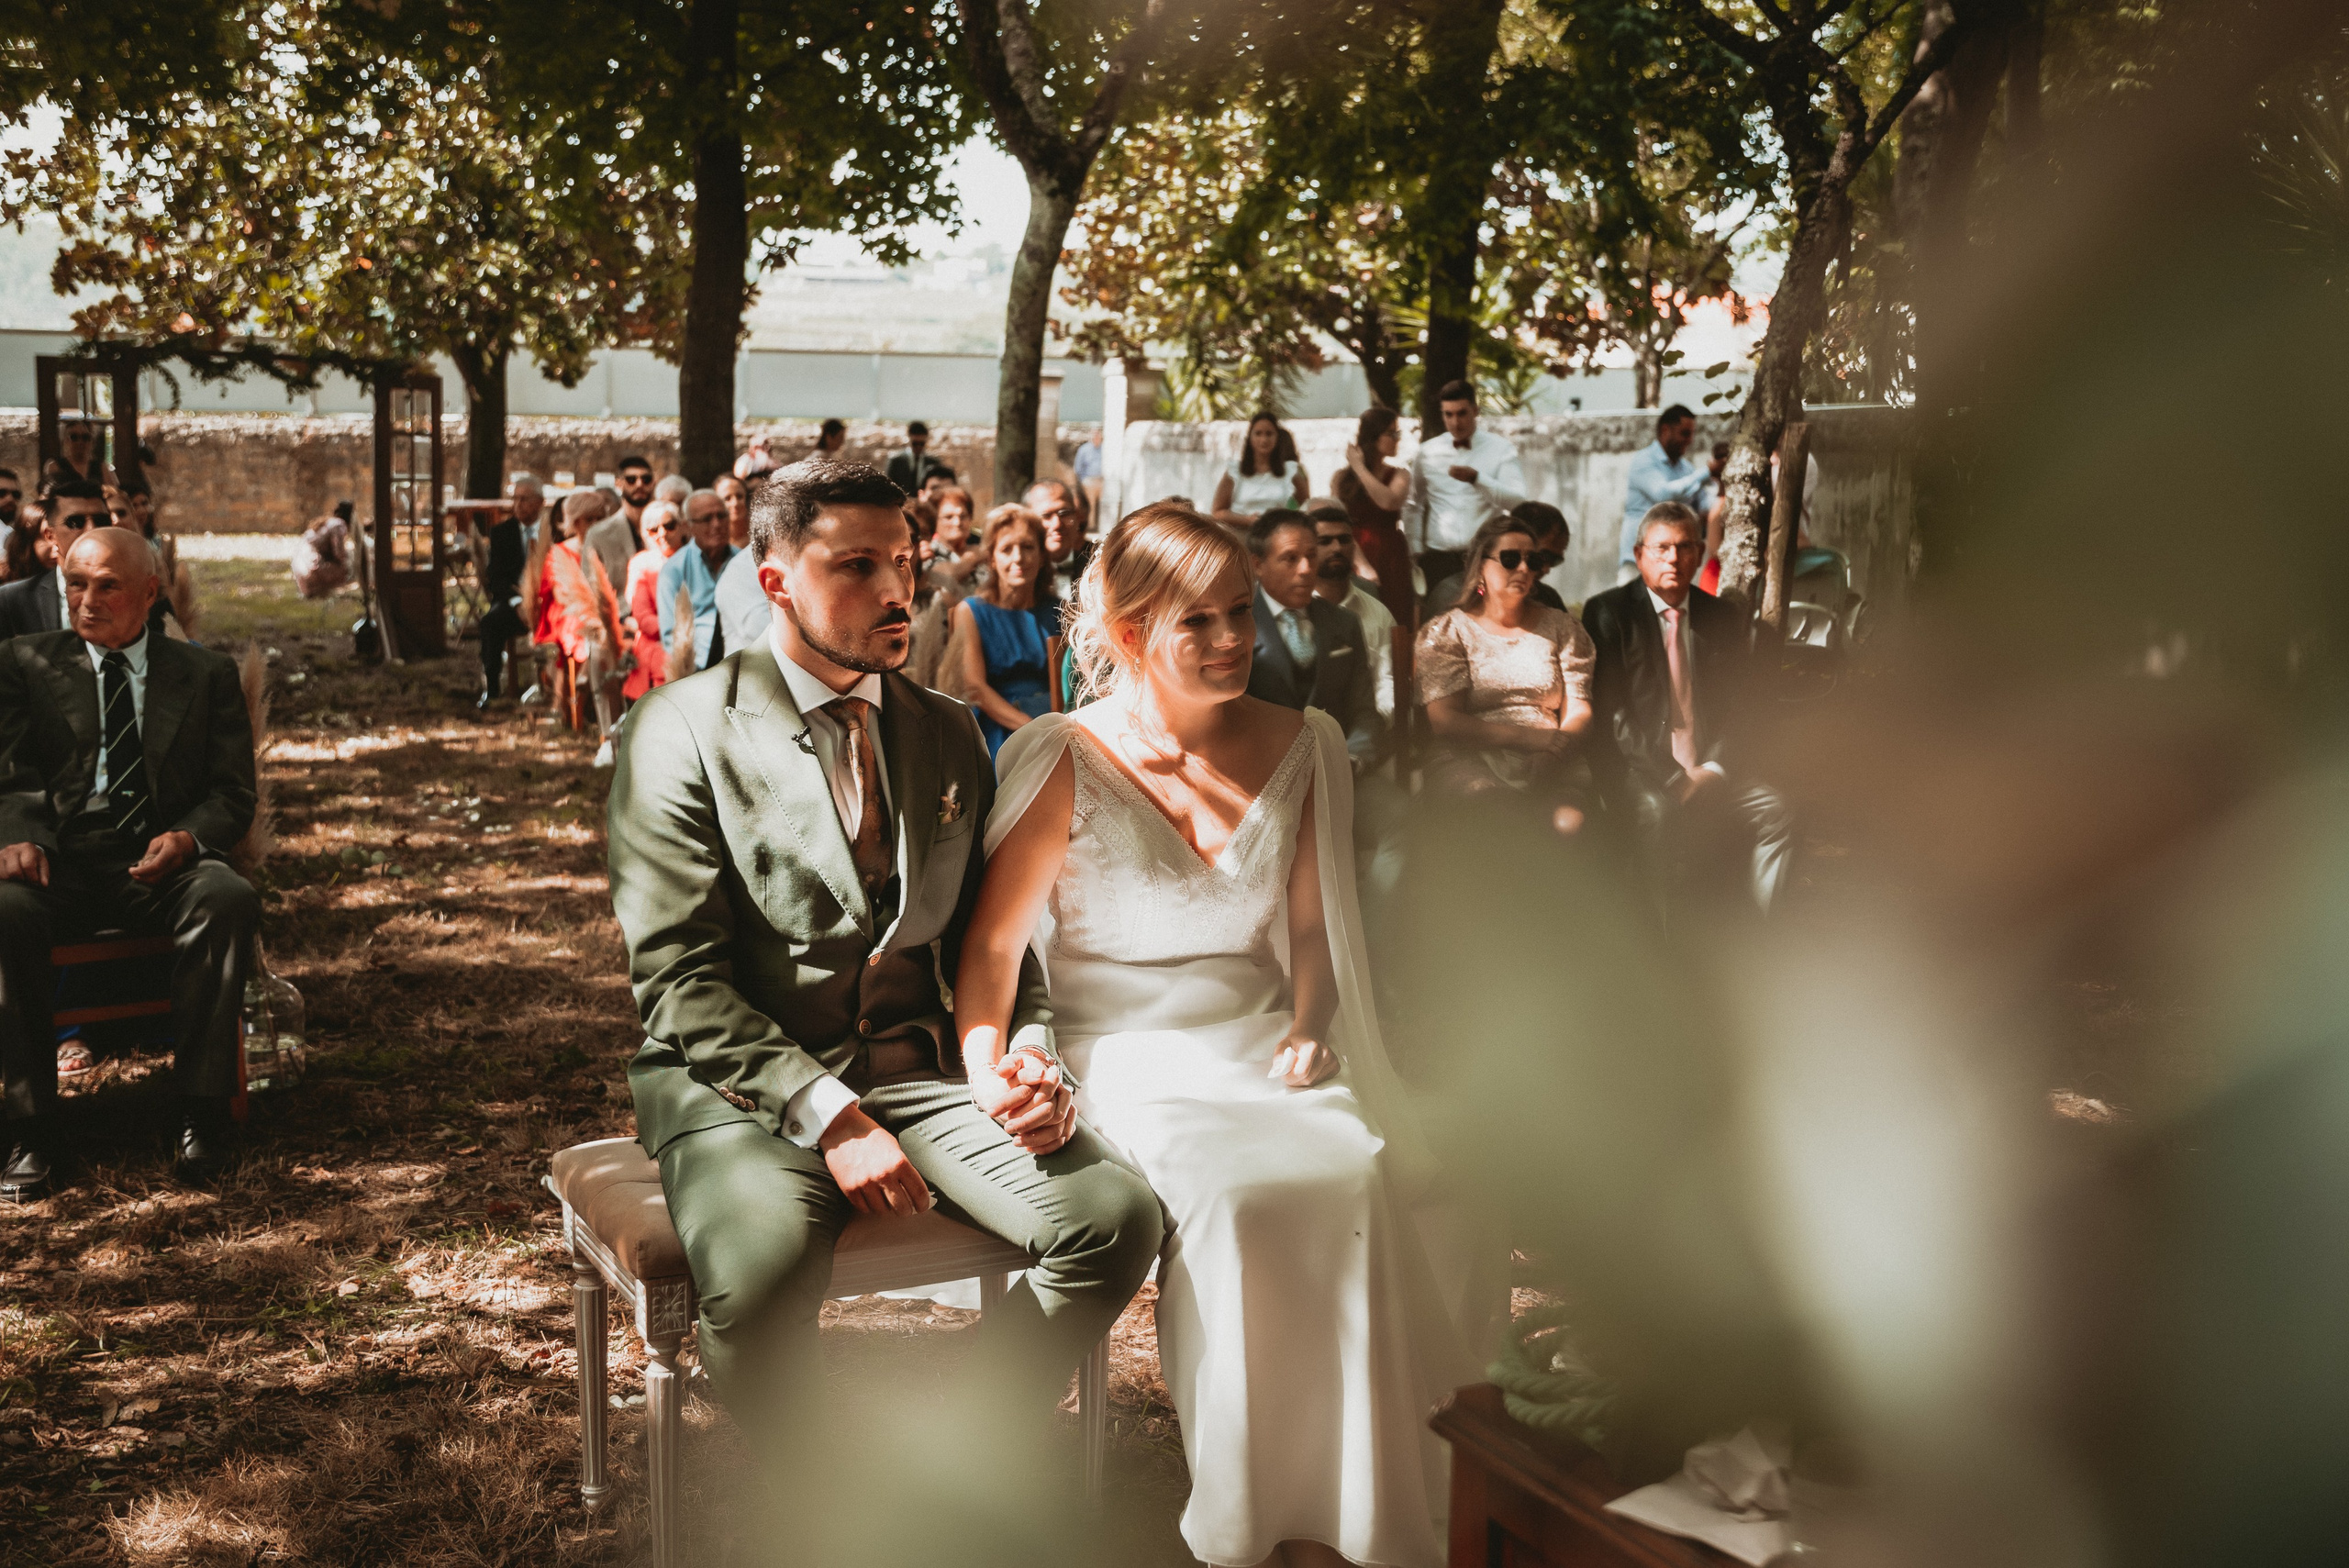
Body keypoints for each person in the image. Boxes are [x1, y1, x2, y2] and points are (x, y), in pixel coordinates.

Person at [604, 456, 1161, 1483]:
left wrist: (1031, 1056)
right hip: (743, 1090)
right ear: (774, 580)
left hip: (917, 1070)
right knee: (761, 1282)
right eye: (857, 564)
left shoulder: (947, 731)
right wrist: (830, 1116)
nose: (898, 588)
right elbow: (679, 981)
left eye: (904, 559)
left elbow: (995, 945)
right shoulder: (676, 730)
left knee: (1115, 1220)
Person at [959, 501, 1465, 1568]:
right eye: (1201, 622)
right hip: (1123, 1052)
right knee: (1240, 1196)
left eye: (1241, 613)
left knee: (1347, 1177)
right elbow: (995, 954)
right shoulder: (1062, 755)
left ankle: (1353, 1517)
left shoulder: (1308, 740)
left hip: (1256, 1036)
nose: (1234, 639)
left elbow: (1319, 921)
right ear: (1135, 629)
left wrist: (1310, 1024)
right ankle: (1249, 1516)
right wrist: (991, 1069)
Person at [0, 528, 260, 1199]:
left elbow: (232, 793)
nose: (87, 602)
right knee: (5, 908)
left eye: (107, 585)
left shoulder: (204, 674)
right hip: (59, 862)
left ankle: (200, 1113)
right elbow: (9, 771)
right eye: (75, 585)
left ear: (151, 591)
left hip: (160, 859)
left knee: (225, 896)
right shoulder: (24, 662)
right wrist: (20, 832)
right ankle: (32, 1126)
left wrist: (188, 838)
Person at [1582, 503, 1791, 911]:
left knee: (1777, 810)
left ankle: (1764, 933)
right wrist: (1672, 778)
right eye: (1661, 548)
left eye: (1683, 548)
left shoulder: (1720, 617)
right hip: (1643, 771)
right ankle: (1656, 940)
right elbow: (1614, 715)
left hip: (1710, 770)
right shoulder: (1609, 613)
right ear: (1640, 555)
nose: (1673, 559)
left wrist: (1713, 769)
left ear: (1698, 555)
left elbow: (1739, 706)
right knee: (1659, 814)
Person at [1416, 513, 1597, 835]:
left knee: (1568, 823)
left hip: (1552, 757)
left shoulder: (1562, 627)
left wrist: (1554, 753)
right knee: (1496, 815)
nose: (1524, 569)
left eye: (1533, 560)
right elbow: (1444, 720)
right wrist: (1530, 739)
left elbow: (1579, 711)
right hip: (1468, 756)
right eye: (1511, 559)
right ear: (1480, 566)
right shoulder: (1449, 631)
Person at [1244, 510, 1383, 768]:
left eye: (1311, 556)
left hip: (1342, 767)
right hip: (1264, 775)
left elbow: (1365, 713)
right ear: (1258, 565)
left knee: (1397, 808)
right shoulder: (1239, 627)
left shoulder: (1344, 623)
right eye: (1290, 558)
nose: (1307, 569)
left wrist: (1351, 760)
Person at [950, 506, 1061, 762]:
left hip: (1054, 723)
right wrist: (1030, 729)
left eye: (1028, 547)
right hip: (997, 729)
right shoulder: (971, 611)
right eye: (1007, 549)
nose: (1018, 558)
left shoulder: (1059, 610)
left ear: (1043, 556)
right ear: (991, 559)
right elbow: (974, 687)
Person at [1405, 381, 1526, 587]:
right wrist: (1415, 548)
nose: (1455, 422)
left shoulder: (1501, 449)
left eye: (1461, 413)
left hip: (1485, 558)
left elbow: (1517, 502)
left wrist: (1477, 479)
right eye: (1448, 414)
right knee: (1438, 618)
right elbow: (1414, 503)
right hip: (1438, 559)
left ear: (1475, 411)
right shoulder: (1427, 452)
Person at [537, 490, 627, 766]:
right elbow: (555, 593)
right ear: (575, 522)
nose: (596, 523)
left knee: (607, 634)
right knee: (589, 636)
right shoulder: (560, 552)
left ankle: (590, 680)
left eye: (601, 517)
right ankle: (588, 678)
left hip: (603, 612)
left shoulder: (604, 544)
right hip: (566, 613)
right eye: (590, 518)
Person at [1306, 501, 1399, 726]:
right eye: (1325, 541)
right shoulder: (1294, 612)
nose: (1337, 548)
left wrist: (1372, 726)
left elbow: (1387, 682)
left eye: (1344, 539)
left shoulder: (1378, 613)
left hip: (1368, 733)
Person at [1334, 406, 1417, 633]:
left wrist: (1359, 467)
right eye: (1392, 433)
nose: (1396, 439)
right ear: (1374, 436)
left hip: (1390, 552)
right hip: (1354, 548)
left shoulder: (1400, 474)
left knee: (1395, 618)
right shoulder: (1342, 478)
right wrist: (1360, 563)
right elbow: (1337, 519)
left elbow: (1388, 501)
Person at [1619, 406, 1720, 579]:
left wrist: (1722, 483)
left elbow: (1704, 508)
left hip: (1672, 561)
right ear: (1665, 430)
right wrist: (1707, 472)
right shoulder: (1643, 461)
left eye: (1691, 434)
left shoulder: (1687, 469)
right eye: (1685, 433)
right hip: (1639, 561)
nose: (1690, 440)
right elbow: (1664, 495)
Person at [0, 481, 110, 638]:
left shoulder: (135, 592)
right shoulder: (11, 600)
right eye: (75, 522)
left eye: (101, 521)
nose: (91, 529)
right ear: (50, 536)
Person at [1428, 499, 1572, 616]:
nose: (1546, 569)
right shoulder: (1452, 594)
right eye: (1543, 556)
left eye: (1555, 561)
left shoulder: (1548, 599)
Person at [655, 488, 735, 675]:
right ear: (688, 526)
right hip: (697, 669)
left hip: (742, 664)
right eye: (707, 519)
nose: (717, 524)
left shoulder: (744, 562)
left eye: (721, 516)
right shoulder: (674, 570)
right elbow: (670, 636)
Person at [476, 477, 537, 707]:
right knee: (490, 622)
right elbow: (496, 578)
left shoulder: (552, 531)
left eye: (525, 499)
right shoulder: (501, 533)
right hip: (514, 603)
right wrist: (517, 601)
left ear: (539, 502)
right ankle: (491, 689)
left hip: (549, 602)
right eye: (515, 498)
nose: (518, 504)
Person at [623, 500, 687, 701]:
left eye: (669, 525)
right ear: (645, 534)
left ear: (681, 526)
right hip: (656, 642)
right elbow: (643, 617)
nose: (663, 533)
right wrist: (679, 629)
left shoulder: (694, 558)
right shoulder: (641, 563)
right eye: (653, 529)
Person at [1210, 411, 1308, 526]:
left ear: (1277, 437)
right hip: (1241, 535)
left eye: (1269, 434)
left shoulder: (1289, 471)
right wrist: (1247, 520)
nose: (1264, 440)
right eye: (1258, 433)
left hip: (1276, 536)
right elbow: (1217, 512)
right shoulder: (1235, 471)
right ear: (1250, 437)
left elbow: (1306, 505)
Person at [1025, 478, 1090, 595]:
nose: (1057, 524)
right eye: (1046, 516)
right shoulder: (1017, 572)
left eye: (1064, 513)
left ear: (1077, 518)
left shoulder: (1096, 570)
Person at [291, 502, 356, 599]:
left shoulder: (327, 522)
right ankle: (319, 588)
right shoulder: (338, 525)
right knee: (352, 564)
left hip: (300, 568)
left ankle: (313, 590)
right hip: (312, 568)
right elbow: (339, 553)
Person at [885, 419, 949, 496]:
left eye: (922, 444)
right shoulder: (896, 461)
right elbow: (889, 487)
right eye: (915, 444)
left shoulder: (934, 463)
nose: (918, 447)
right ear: (909, 439)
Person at [46, 420, 114, 490]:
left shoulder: (101, 467)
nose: (80, 442)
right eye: (74, 437)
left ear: (91, 442)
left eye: (85, 437)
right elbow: (48, 495)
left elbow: (113, 493)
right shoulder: (55, 466)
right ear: (66, 441)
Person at [1072, 427, 1105, 525]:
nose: (1096, 436)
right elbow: (1078, 467)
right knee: (1091, 504)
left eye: (1098, 434)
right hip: (1089, 481)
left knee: (1105, 503)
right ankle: (1090, 526)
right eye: (1094, 434)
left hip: (1102, 481)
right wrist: (1083, 480)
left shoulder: (1105, 448)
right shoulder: (1084, 449)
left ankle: (1103, 525)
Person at [714, 472, 752, 550]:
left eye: (739, 496)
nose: (735, 503)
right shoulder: (712, 539)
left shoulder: (760, 531)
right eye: (727, 498)